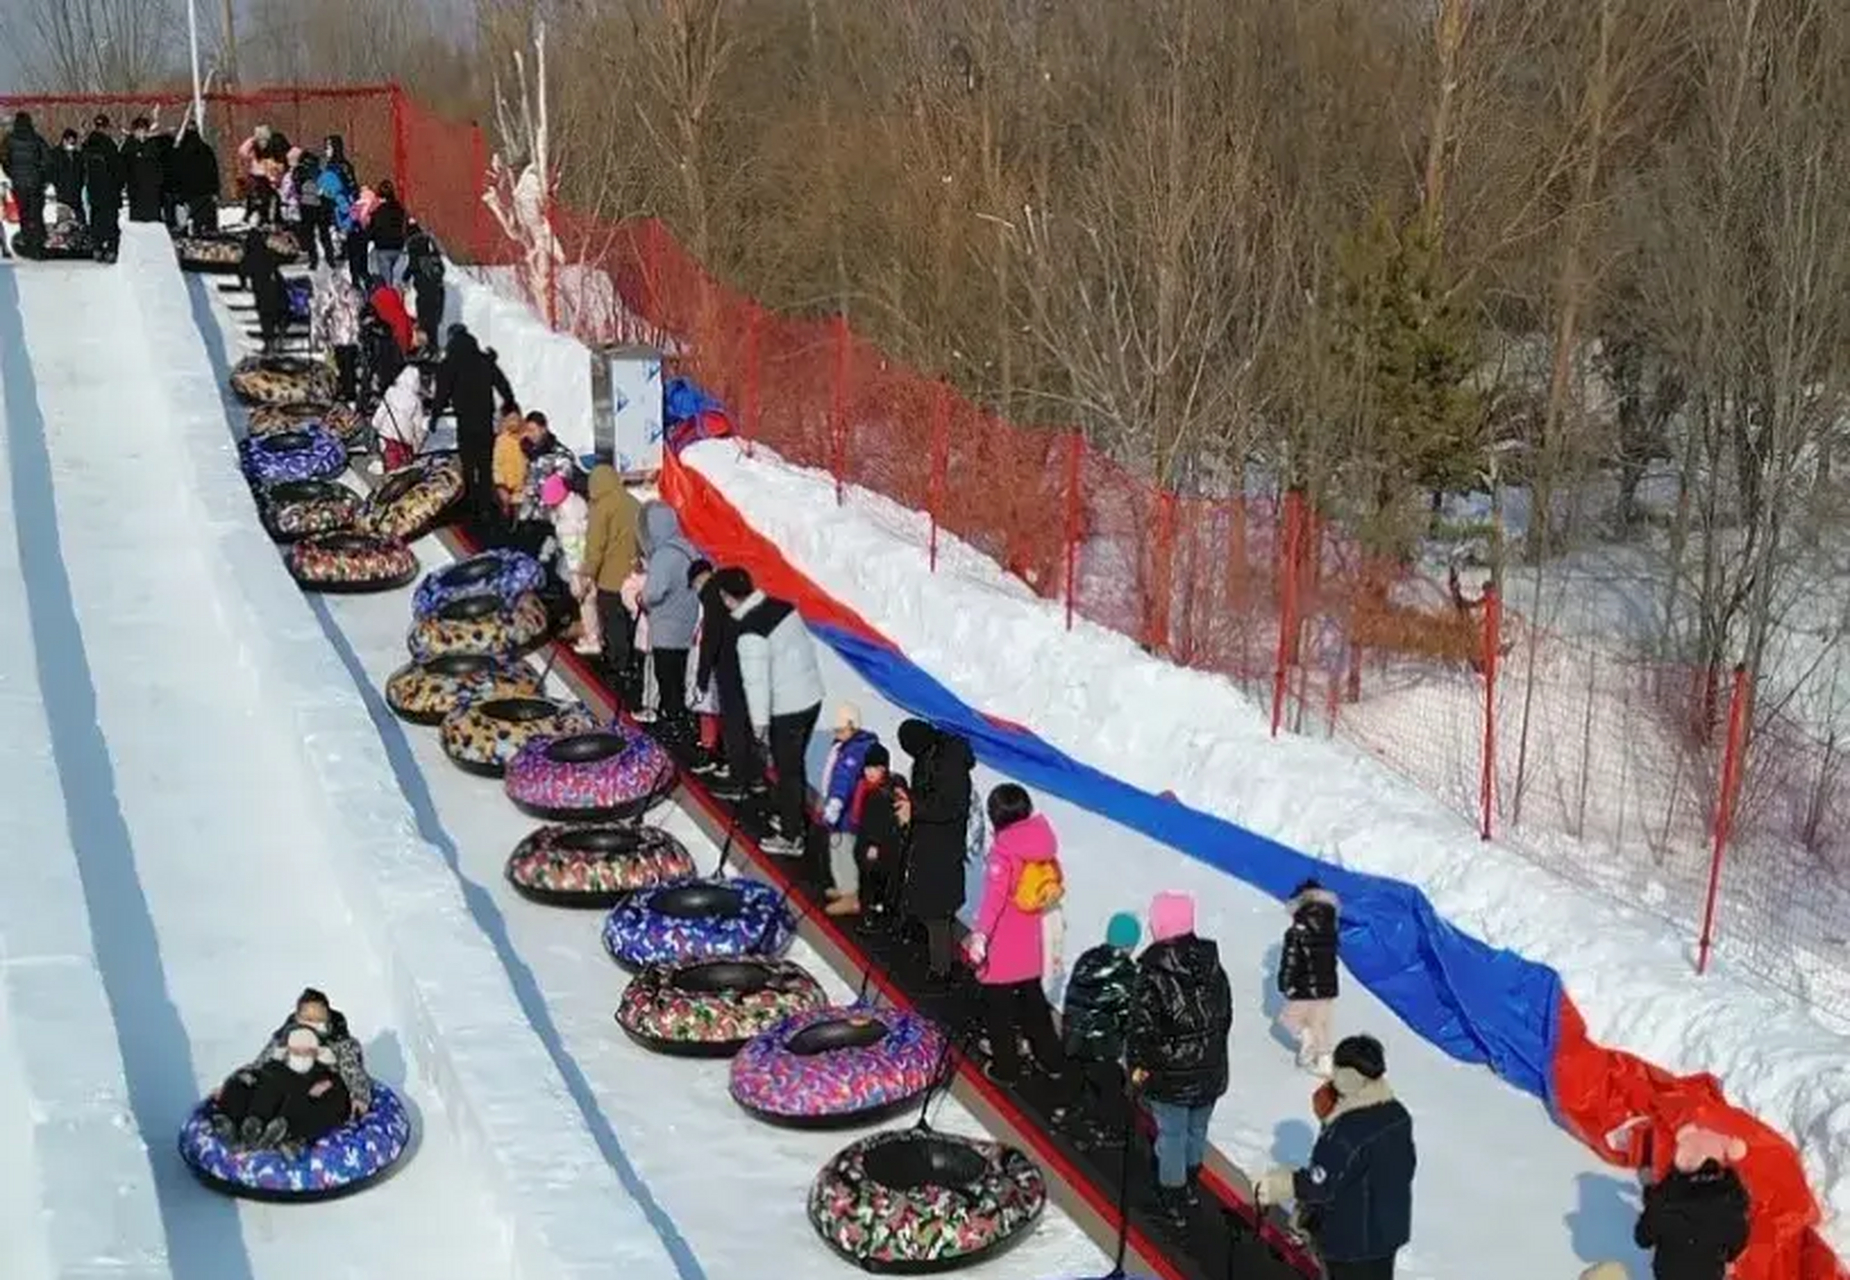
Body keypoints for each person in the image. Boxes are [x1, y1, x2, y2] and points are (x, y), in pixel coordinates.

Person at [1258, 1034, 1416, 1278]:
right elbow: (1406, 1164)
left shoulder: (1347, 1132)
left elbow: (1319, 1185)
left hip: (1349, 1242)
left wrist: (1278, 1185)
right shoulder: (1397, 1115)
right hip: (1387, 1231)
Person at [1129, 890, 1234, 1226]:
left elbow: (1141, 1030)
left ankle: (1171, 1194)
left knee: (1171, 1134)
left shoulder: (1153, 973)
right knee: (1197, 1128)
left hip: (1171, 1074)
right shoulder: (1213, 966)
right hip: (1211, 1068)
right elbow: (1225, 1014)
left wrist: (1138, 1067)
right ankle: (1190, 1180)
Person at [717, 568, 825, 853]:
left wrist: (759, 725)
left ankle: (792, 836)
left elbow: (756, 684)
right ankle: (792, 817)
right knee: (795, 765)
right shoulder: (781, 607)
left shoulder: (749, 631)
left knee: (787, 769)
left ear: (728, 598)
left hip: (787, 707)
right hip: (811, 697)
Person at [966, 784, 1067, 1086]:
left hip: (1004, 943)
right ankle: (1051, 1059)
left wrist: (980, 937)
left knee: (998, 1008)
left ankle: (1007, 1067)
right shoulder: (1042, 842)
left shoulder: (1004, 852)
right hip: (1031, 939)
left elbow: (993, 901)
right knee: (1033, 1002)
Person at [209, 988, 371, 1150]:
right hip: (281, 1084)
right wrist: (232, 1082)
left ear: (328, 1018)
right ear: (297, 1017)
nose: (313, 1023)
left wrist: (359, 1095)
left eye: (319, 1019)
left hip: (316, 1087)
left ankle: (286, 1132)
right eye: (308, 1018)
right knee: (247, 1082)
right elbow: (260, 1064)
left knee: (328, 1098)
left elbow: (353, 1071)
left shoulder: (340, 1042)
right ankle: (239, 1125)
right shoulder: (284, 1038)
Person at [894, 718, 977, 982]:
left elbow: (949, 805)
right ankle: (939, 957)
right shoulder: (932, 754)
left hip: (943, 845)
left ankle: (941, 968)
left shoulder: (949, 764)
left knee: (937, 910)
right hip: (930, 840)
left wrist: (914, 807)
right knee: (934, 905)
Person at [1051, 911, 1141, 1148]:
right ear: (1130, 944)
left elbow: (1072, 993)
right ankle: (1111, 1125)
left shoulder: (1087, 958)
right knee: (1109, 1082)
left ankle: (1064, 1106)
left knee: (1074, 1070)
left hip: (1074, 1033)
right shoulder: (1127, 973)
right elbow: (1128, 1015)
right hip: (1101, 1044)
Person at [428, 325, 518, 531]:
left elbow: (441, 393)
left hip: (465, 421)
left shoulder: (450, 363)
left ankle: (471, 503)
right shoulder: (483, 360)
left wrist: (435, 415)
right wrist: (509, 403)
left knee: (468, 463)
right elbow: (502, 384)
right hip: (485, 419)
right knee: (485, 464)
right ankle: (486, 505)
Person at [1633, 1126, 1750, 1280]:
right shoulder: (1731, 1204)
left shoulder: (1665, 1199)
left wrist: (1649, 1190)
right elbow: (1737, 1246)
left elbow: (1642, 1239)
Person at [639, 501, 702, 742]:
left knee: (668, 680)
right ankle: (687, 720)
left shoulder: (662, 556)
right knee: (685, 677)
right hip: (688, 622)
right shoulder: (688, 548)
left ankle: (675, 724)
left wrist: (642, 598)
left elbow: (654, 592)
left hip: (666, 628)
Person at [691, 560, 756, 786]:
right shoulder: (735, 578)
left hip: (728, 663)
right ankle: (752, 772)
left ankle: (738, 776)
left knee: (734, 720)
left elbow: (711, 637)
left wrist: (702, 676)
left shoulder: (712, 592)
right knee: (746, 718)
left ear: (699, 581)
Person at [583, 464, 645, 693]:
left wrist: (587, 573)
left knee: (613, 621)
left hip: (609, 576)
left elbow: (595, 546)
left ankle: (619, 666)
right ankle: (634, 660)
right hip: (633, 575)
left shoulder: (602, 508)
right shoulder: (633, 502)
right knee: (630, 621)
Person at [820, 705, 881, 914]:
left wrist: (835, 804)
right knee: (836, 851)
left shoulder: (854, 752)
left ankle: (850, 895)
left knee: (843, 852)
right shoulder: (847, 746)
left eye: (840, 730)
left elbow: (843, 782)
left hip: (846, 815)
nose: (837, 734)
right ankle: (843, 886)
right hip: (841, 813)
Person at [1277, 877, 1342, 1075]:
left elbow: (1291, 960)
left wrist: (1285, 983)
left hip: (1303, 986)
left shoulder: (1297, 931)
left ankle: (1307, 1040)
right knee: (1321, 1023)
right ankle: (1325, 1062)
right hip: (1327, 986)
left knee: (1288, 1019)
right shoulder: (1331, 929)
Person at [852, 745, 909, 932]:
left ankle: (868, 917)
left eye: (874, 768)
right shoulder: (889, 788)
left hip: (876, 848)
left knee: (869, 882)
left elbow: (878, 822)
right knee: (877, 883)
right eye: (867, 768)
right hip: (882, 847)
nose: (869, 772)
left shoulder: (880, 794)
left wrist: (873, 844)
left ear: (883, 769)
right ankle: (877, 912)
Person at [542, 472, 600, 654]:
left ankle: (593, 639)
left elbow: (572, 552)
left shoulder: (565, 523)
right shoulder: (579, 503)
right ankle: (597, 633)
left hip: (581, 567)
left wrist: (577, 577)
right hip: (593, 558)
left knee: (586, 603)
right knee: (595, 601)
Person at [309, 265, 363, 404]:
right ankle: (350, 392)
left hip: (339, 336)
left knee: (341, 365)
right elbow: (360, 310)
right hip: (353, 337)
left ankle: (344, 391)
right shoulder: (354, 294)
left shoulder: (332, 295)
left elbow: (323, 313)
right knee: (349, 365)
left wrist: (322, 332)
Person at [2, 112, 52, 254]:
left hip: (18, 183)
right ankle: (38, 244)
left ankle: (27, 241)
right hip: (35, 182)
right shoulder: (36, 139)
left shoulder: (9, 140)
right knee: (36, 213)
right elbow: (48, 159)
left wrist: (12, 174)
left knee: (24, 213)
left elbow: (4, 160)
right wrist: (41, 175)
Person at [81, 115, 124, 263]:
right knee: (111, 221)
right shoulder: (109, 145)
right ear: (107, 127)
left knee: (96, 219)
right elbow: (118, 169)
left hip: (94, 190)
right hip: (109, 190)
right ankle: (112, 249)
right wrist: (119, 185)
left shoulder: (87, 145)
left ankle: (97, 248)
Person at [373, 364, 430, 471]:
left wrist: (375, 425)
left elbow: (381, 412)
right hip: (404, 439)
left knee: (389, 458)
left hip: (386, 435)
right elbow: (418, 426)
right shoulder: (416, 400)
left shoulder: (391, 392)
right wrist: (418, 444)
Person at [241, 227, 286, 352]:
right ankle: (280, 332)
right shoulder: (268, 252)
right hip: (275, 286)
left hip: (261, 290)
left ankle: (269, 343)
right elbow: (280, 259)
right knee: (277, 312)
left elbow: (243, 271)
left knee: (266, 317)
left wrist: (244, 284)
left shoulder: (249, 256)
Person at [170, 122, 219, 233]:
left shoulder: (180, 151)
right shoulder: (205, 150)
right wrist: (215, 189)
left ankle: (195, 228)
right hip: (201, 192)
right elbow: (213, 171)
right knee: (203, 218)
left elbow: (175, 172)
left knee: (195, 217)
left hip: (192, 192)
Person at [404, 220, 446, 351]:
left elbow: (411, 266)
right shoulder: (432, 253)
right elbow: (442, 269)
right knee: (433, 322)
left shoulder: (413, 246)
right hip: (437, 291)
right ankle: (434, 346)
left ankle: (427, 348)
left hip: (423, 292)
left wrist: (405, 277)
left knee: (424, 322)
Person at [290, 147, 330, 267]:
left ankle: (314, 260)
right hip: (320, 204)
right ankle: (330, 258)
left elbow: (296, 186)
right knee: (324, 233)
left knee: (309, 234)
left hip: (306, 204)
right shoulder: (320, 167)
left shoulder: (299, 169)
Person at [122, 117, 166, 223]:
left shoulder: (155, 143)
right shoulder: (129, 144)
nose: (141, 132)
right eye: (138, 129)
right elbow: (123, 164)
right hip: (135, 187)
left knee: (152, 219)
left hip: (152, 188)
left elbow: (160, 164)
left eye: (143, 129)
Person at [367, 180, 410, 286]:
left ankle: (389, 298)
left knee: (387, 282)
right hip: (399, 248)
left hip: (383, 248)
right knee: (398, 280)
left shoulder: (377, 212)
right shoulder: (401, 210)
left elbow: (371, 232)